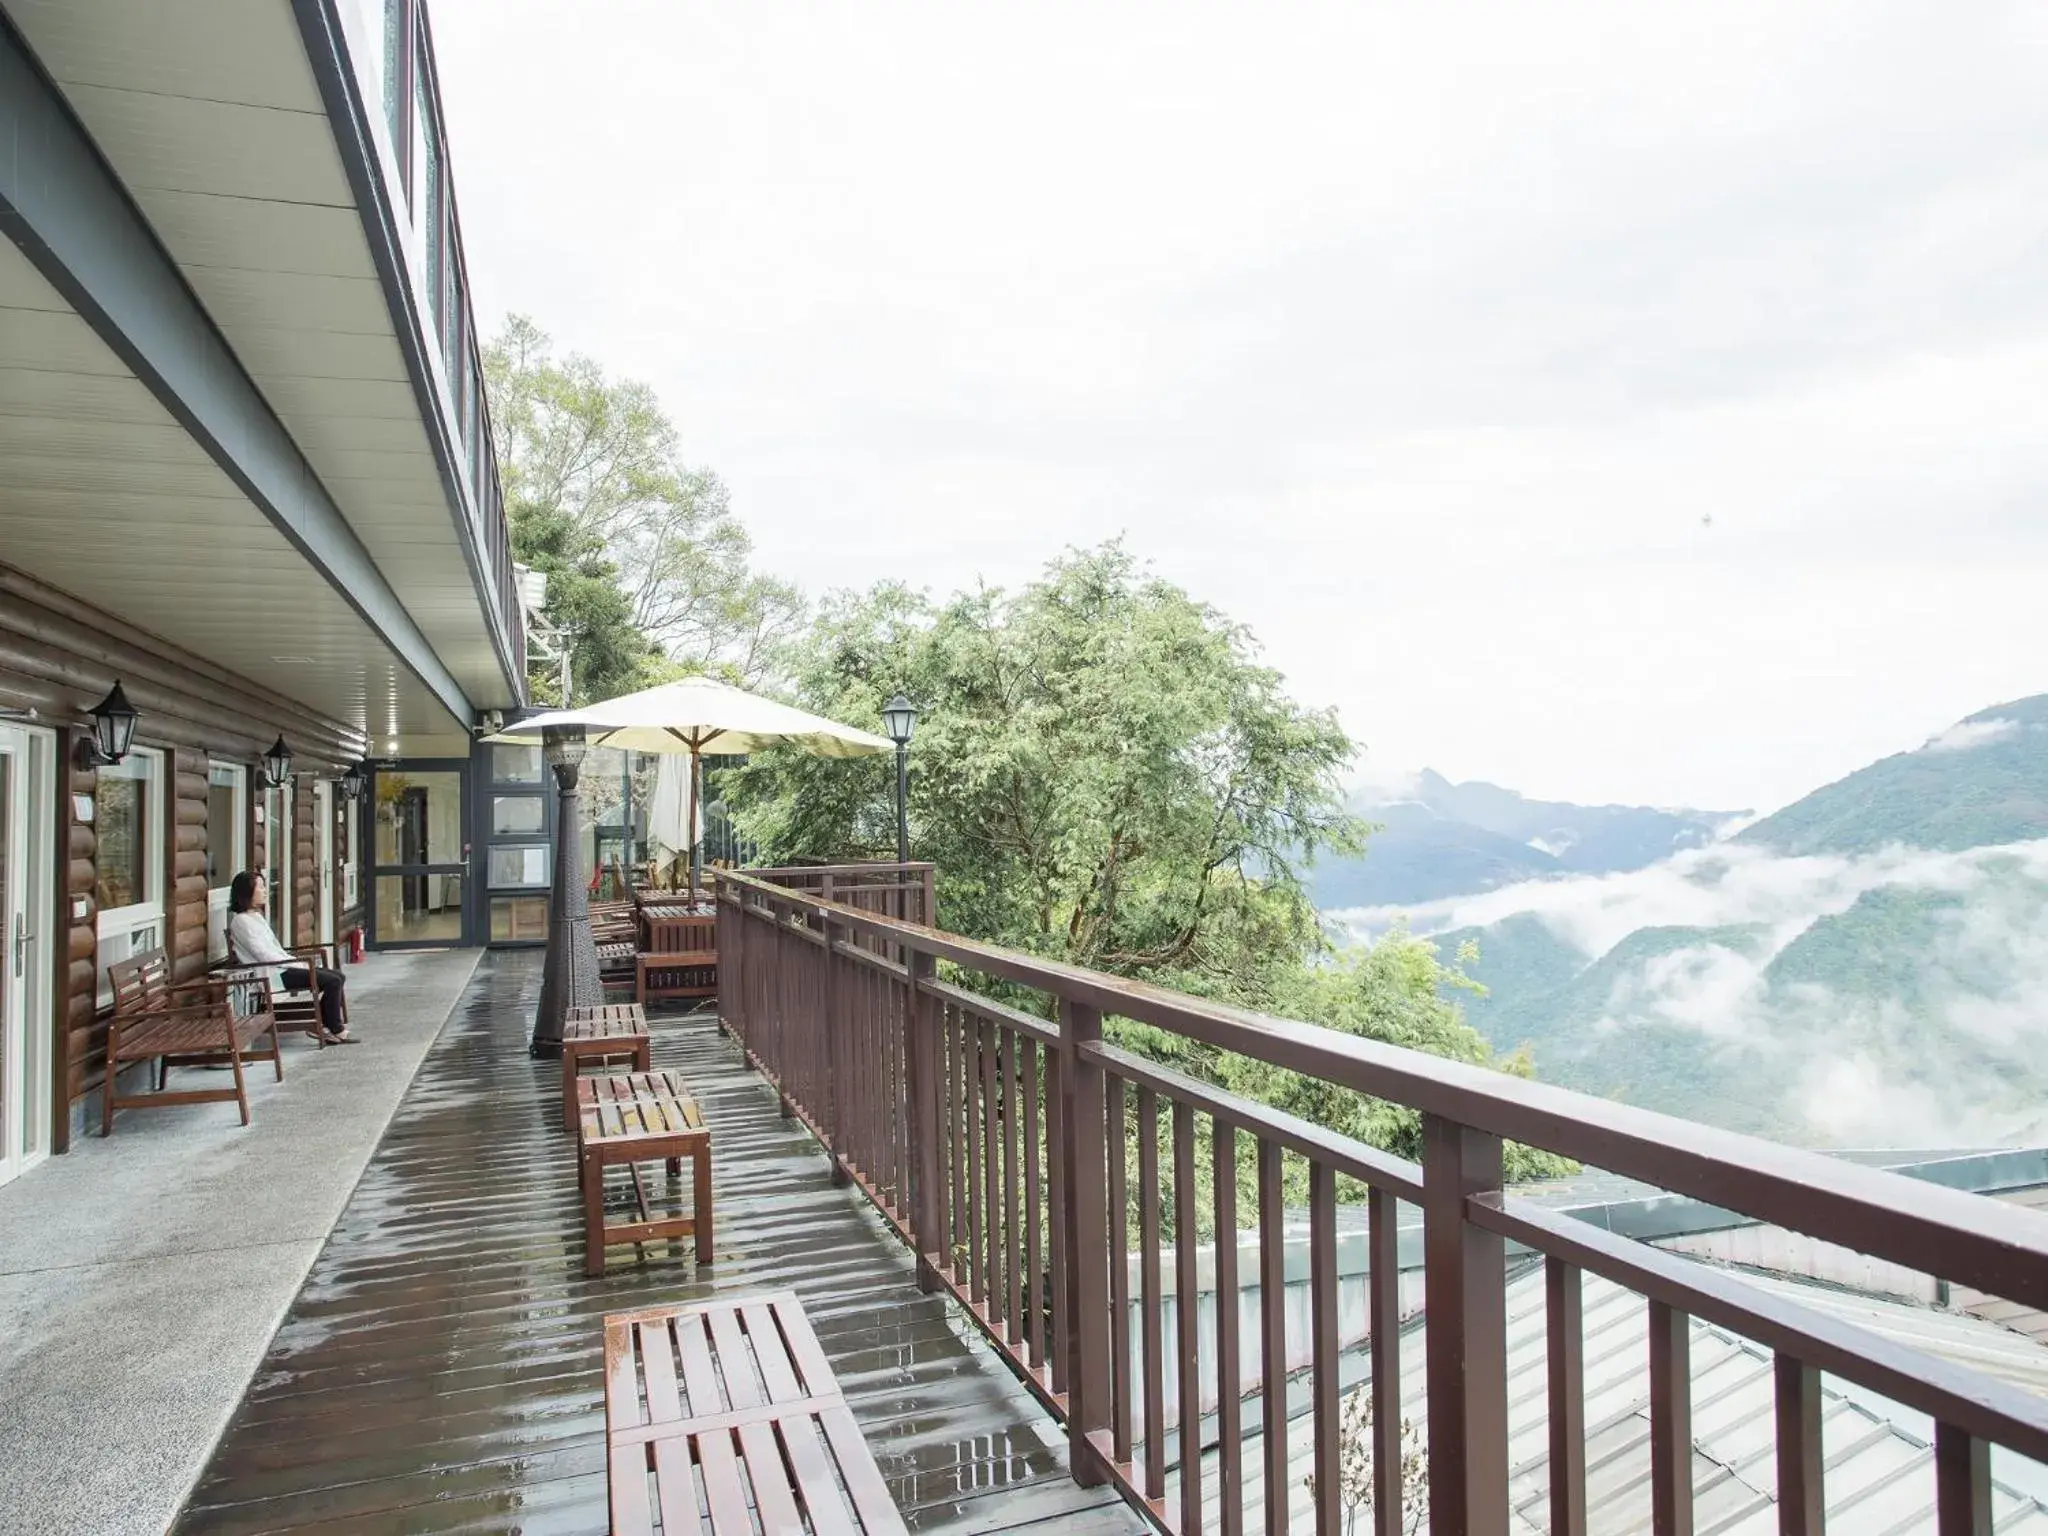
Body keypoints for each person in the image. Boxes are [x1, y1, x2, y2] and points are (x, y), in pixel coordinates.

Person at [227, 871, 355, 1043]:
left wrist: (293, 962)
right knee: (333, 981)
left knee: (338, 976)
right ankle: (335, 1029)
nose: (265, 891)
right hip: (272, 974)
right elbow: (262, 953)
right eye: (261, 887)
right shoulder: (240, 921)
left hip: (282, 967)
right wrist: (294, 963)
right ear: (246, 892)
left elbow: (274, 948)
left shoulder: (255, 917)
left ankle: (325, 1026)